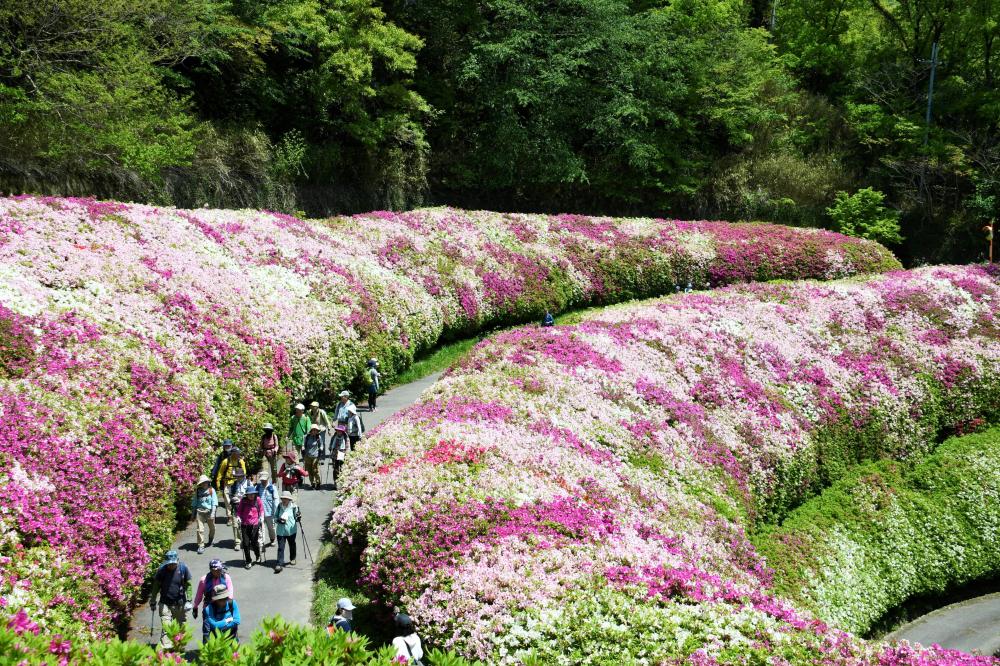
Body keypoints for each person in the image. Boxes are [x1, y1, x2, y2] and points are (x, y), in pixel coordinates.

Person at [148, 550, 191, 649]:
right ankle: (166, 649)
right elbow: (156, 587)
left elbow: (189, 585)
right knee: (167, 626)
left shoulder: (183, 568)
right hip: (165, 603)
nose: (171, 565)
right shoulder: (161, 571)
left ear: (177, 561)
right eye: (169, 563)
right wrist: (153, 600)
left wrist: (189, 600)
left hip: (180, 603)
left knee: (181, 626)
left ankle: (179, 648)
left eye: (173, 563)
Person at [192, 560, 233, 641]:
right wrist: (195, 607)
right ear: (210, 570)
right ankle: (207, 649)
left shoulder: (226, 577)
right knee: (207, 631)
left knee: (225, 628)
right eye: (215, 570)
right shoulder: (204, 580)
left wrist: (231, 607)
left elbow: (230, 593)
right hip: (208, 608)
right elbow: (199, 595)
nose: (217, 572)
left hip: (223, 607)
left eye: (219, 570)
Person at [215, 447, 247, 522]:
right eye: (236, 453)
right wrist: (218, 483)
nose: (238, 455)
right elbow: (220, 473)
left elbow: (244, 473)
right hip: (227, 483)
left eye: (238, 453)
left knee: (238, 499)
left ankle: (239, 515)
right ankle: (229, 517)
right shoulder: (225, 461)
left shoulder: (241, 461)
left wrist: (244, 483)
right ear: (232, 453)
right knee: (227, 501)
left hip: (237, 483)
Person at [236, 485, 264, 569]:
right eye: (249, 494)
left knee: (254, 543)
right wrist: (238, 517)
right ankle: (248, 561)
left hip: (255, 525)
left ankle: (258, 555)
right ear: (246, 495)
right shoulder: (243, 501)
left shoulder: (258, 500)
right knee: (245, 543)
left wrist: (261, 517)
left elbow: (261, 509)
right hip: (245, 524)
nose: (251, 495)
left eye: (253, 494)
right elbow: (239, 511)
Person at [273, 490, 301, 573]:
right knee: (281, 548)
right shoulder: (279, 506)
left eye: (286, 498)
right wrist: (278, 520)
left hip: (291, 531)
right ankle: (279, 564)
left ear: (289, 499)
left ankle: (293, 558)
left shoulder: (294, 507)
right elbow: (274, 517)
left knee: (292, 545)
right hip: (280, 532)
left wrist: (299, 517)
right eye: (283, 498)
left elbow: (297, 518)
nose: (284, 500)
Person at [191, 475, 217, 554]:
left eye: (205, 482)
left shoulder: (211, 490)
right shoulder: (198, 491)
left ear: (208, 482)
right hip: (200, 511)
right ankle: (201, 545)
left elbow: (214, 503)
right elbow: (195, 503)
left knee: (212, 528)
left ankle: (211, 538)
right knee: (200, 529)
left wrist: (212, 513)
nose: (204, 484)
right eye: (202, 483)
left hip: (209, 511)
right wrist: (193, 514)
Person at [227, 468, 251, 550]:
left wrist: (242, 499)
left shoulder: (248, 483)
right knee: (235, 525)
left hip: (246, 507)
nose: (238, 478)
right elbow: (229, 495)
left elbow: (252, 496)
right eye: (237, 476)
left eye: (239, 476)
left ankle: (248, 540)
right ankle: (237, 542)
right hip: (236, 507)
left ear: (243, 475)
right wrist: (233, 498)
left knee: (247, 525)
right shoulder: (233, 485)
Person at [256, 472, 278, 548]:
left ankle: (272, 539)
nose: (263, 481)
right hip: (260, 513)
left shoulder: (272, 488)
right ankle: (261, 542)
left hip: (270, 513)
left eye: (264, 479)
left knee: (271, 528)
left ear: (268, 478)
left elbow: (276, 501)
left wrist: (276, 512)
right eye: (261, 480)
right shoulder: (258, 487)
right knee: (261, 528)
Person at [303, 423, 323, 489]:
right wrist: (303, 448)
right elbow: (303, 444)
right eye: (313, 430)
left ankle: (318, 482)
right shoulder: (307, 437)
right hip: (307, 456)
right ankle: (312, 483)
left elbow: (321, 445)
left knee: (315, 470)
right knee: (309, 471)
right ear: (311, 430)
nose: (314, 431)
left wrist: (321, 448)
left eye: (316, 430)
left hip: (315, 456)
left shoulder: (318, 437)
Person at [330, 424, 348, 490]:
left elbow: (347, 446)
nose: (338, 432)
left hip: (341, 453)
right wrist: (330, 449)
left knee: (342, 468)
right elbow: (331, 444)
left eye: (340, 431)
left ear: (342, 431)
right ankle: (336, 482)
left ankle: (342, 482)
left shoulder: (345, 437)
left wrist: (347, 453)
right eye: (338, 431)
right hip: (335, 453)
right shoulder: (334, 436)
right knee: (335, 468)